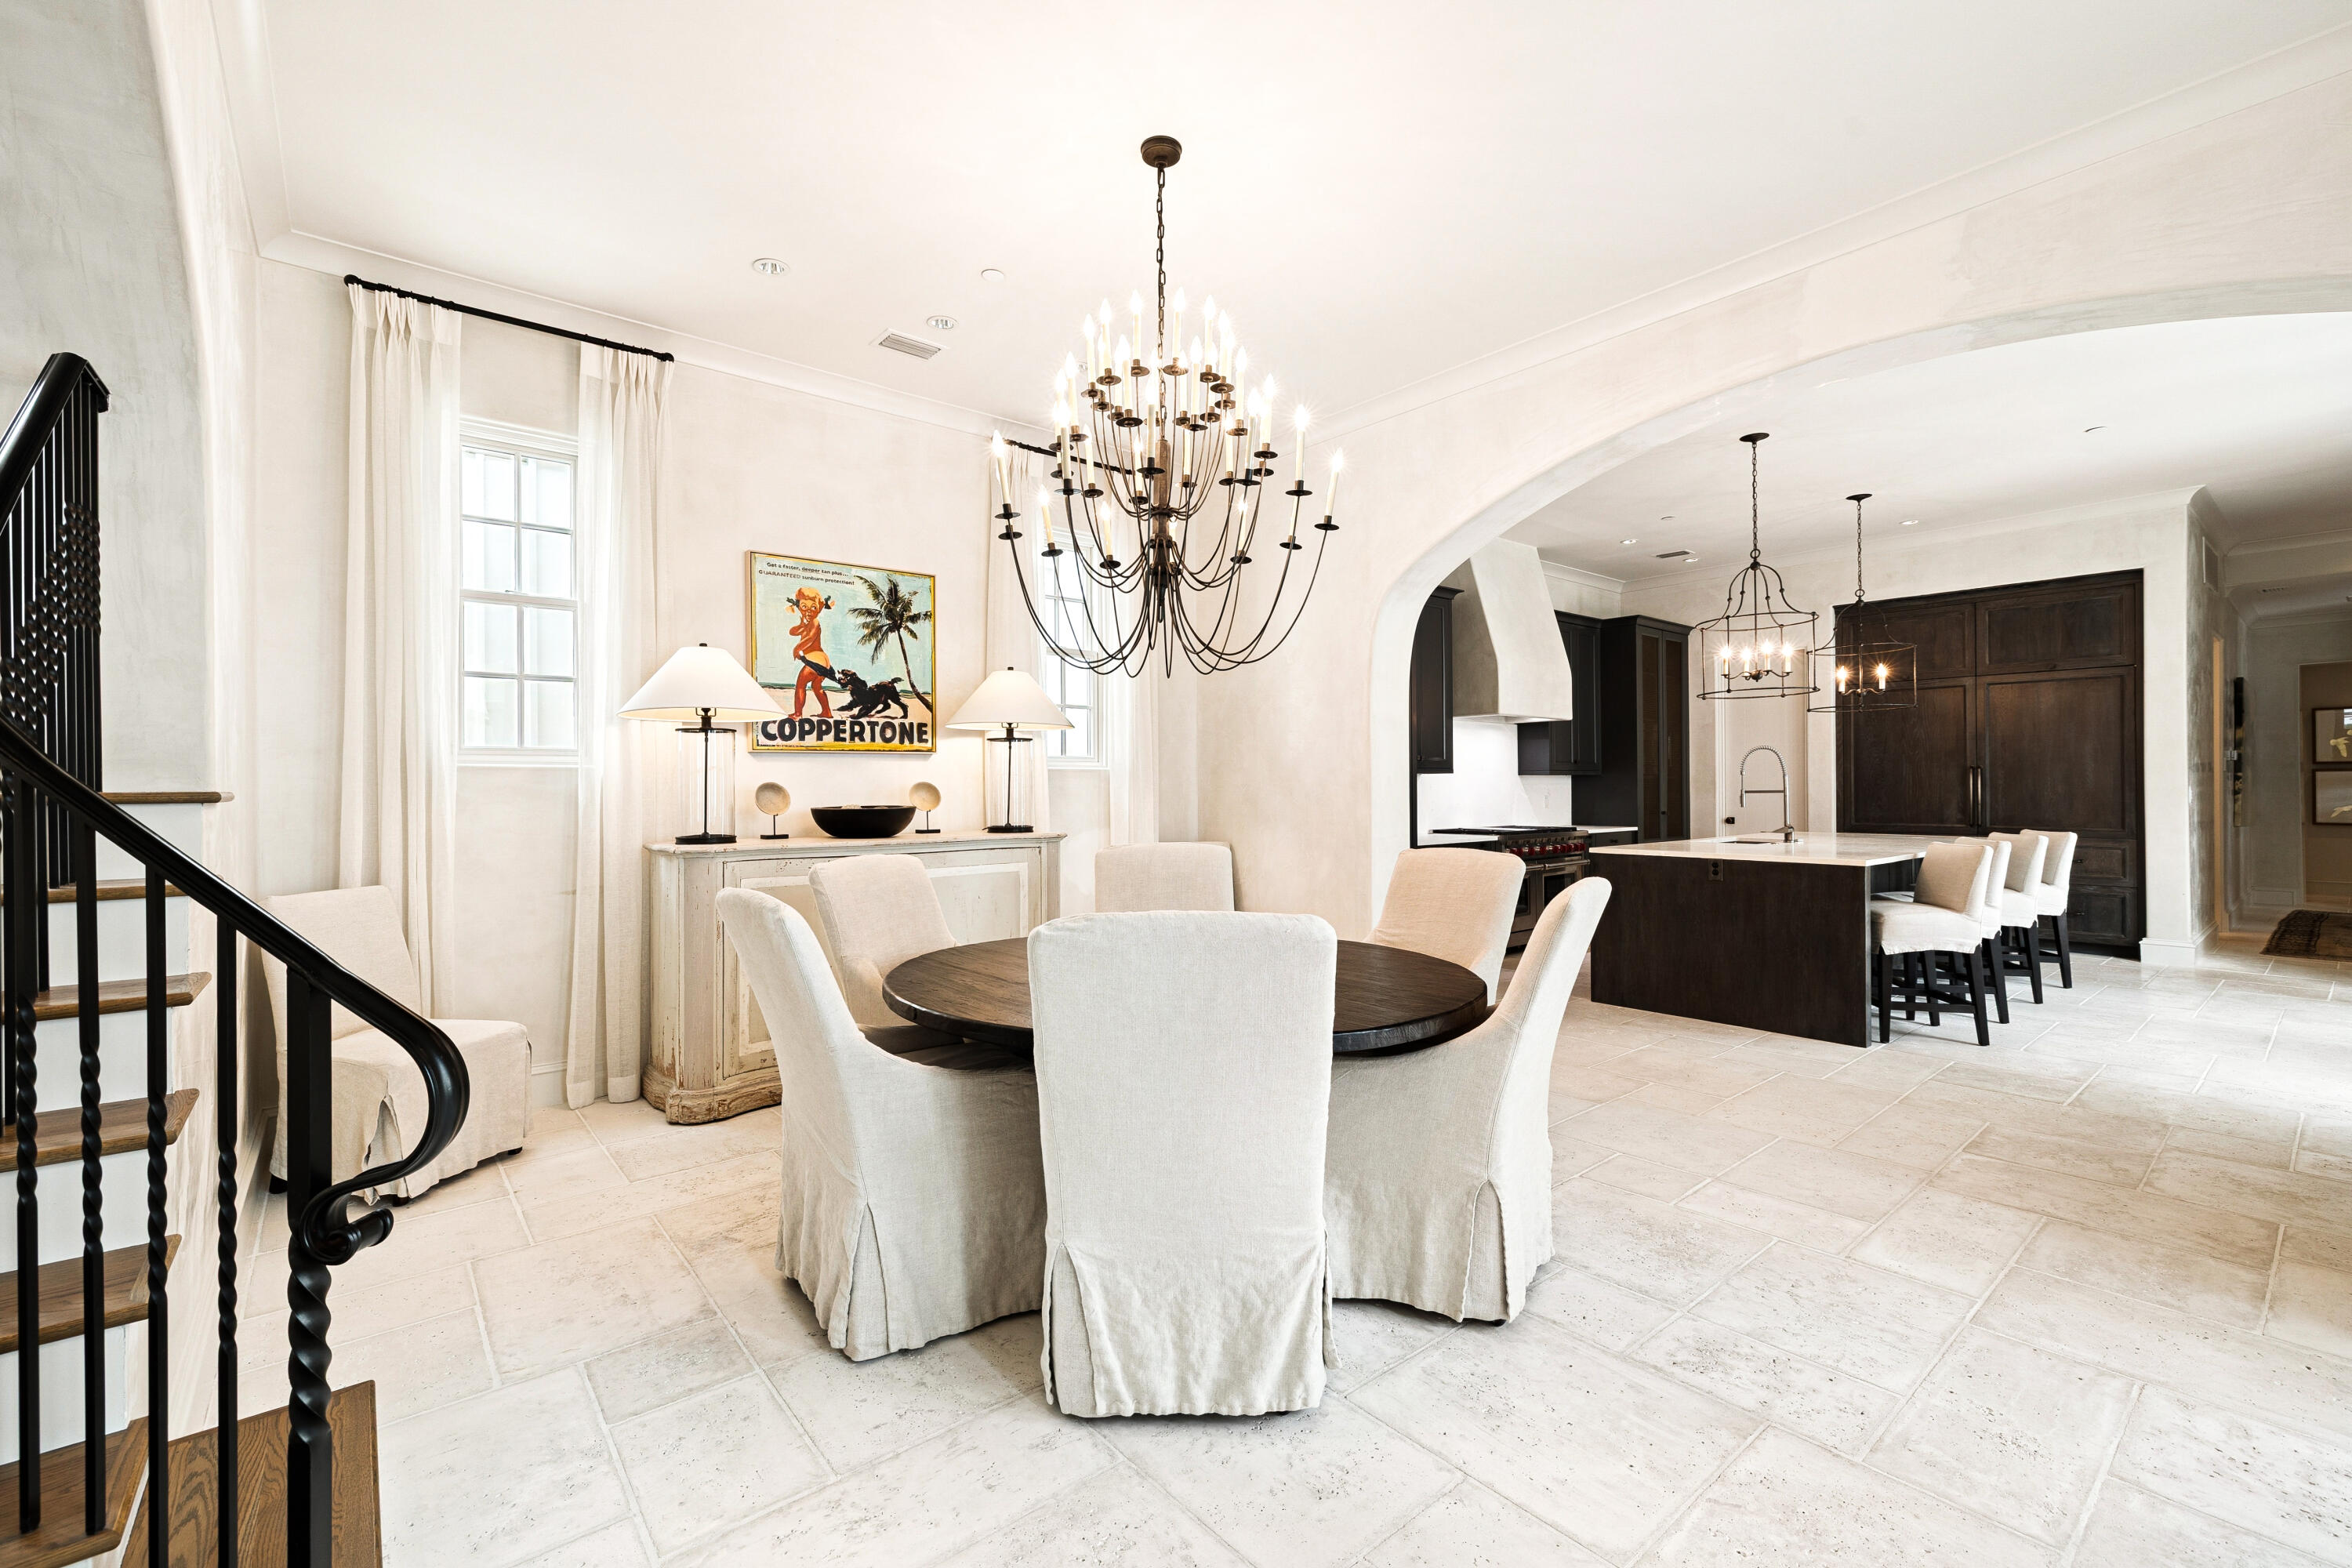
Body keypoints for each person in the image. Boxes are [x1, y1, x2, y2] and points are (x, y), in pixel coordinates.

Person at [788, 586, 833, 718]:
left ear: (818, 609)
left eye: (813, 608)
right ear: (799, 608)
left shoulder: (815, 622)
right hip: (824, 663)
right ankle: (827, 712)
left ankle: (797, 714)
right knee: (816, 686)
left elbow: (810, 638)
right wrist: (801, 625)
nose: (808, 611)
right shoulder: (807, 624)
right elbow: (792, 632)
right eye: (804, 607)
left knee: (800, 684)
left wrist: (797, 649)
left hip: (816, 661)